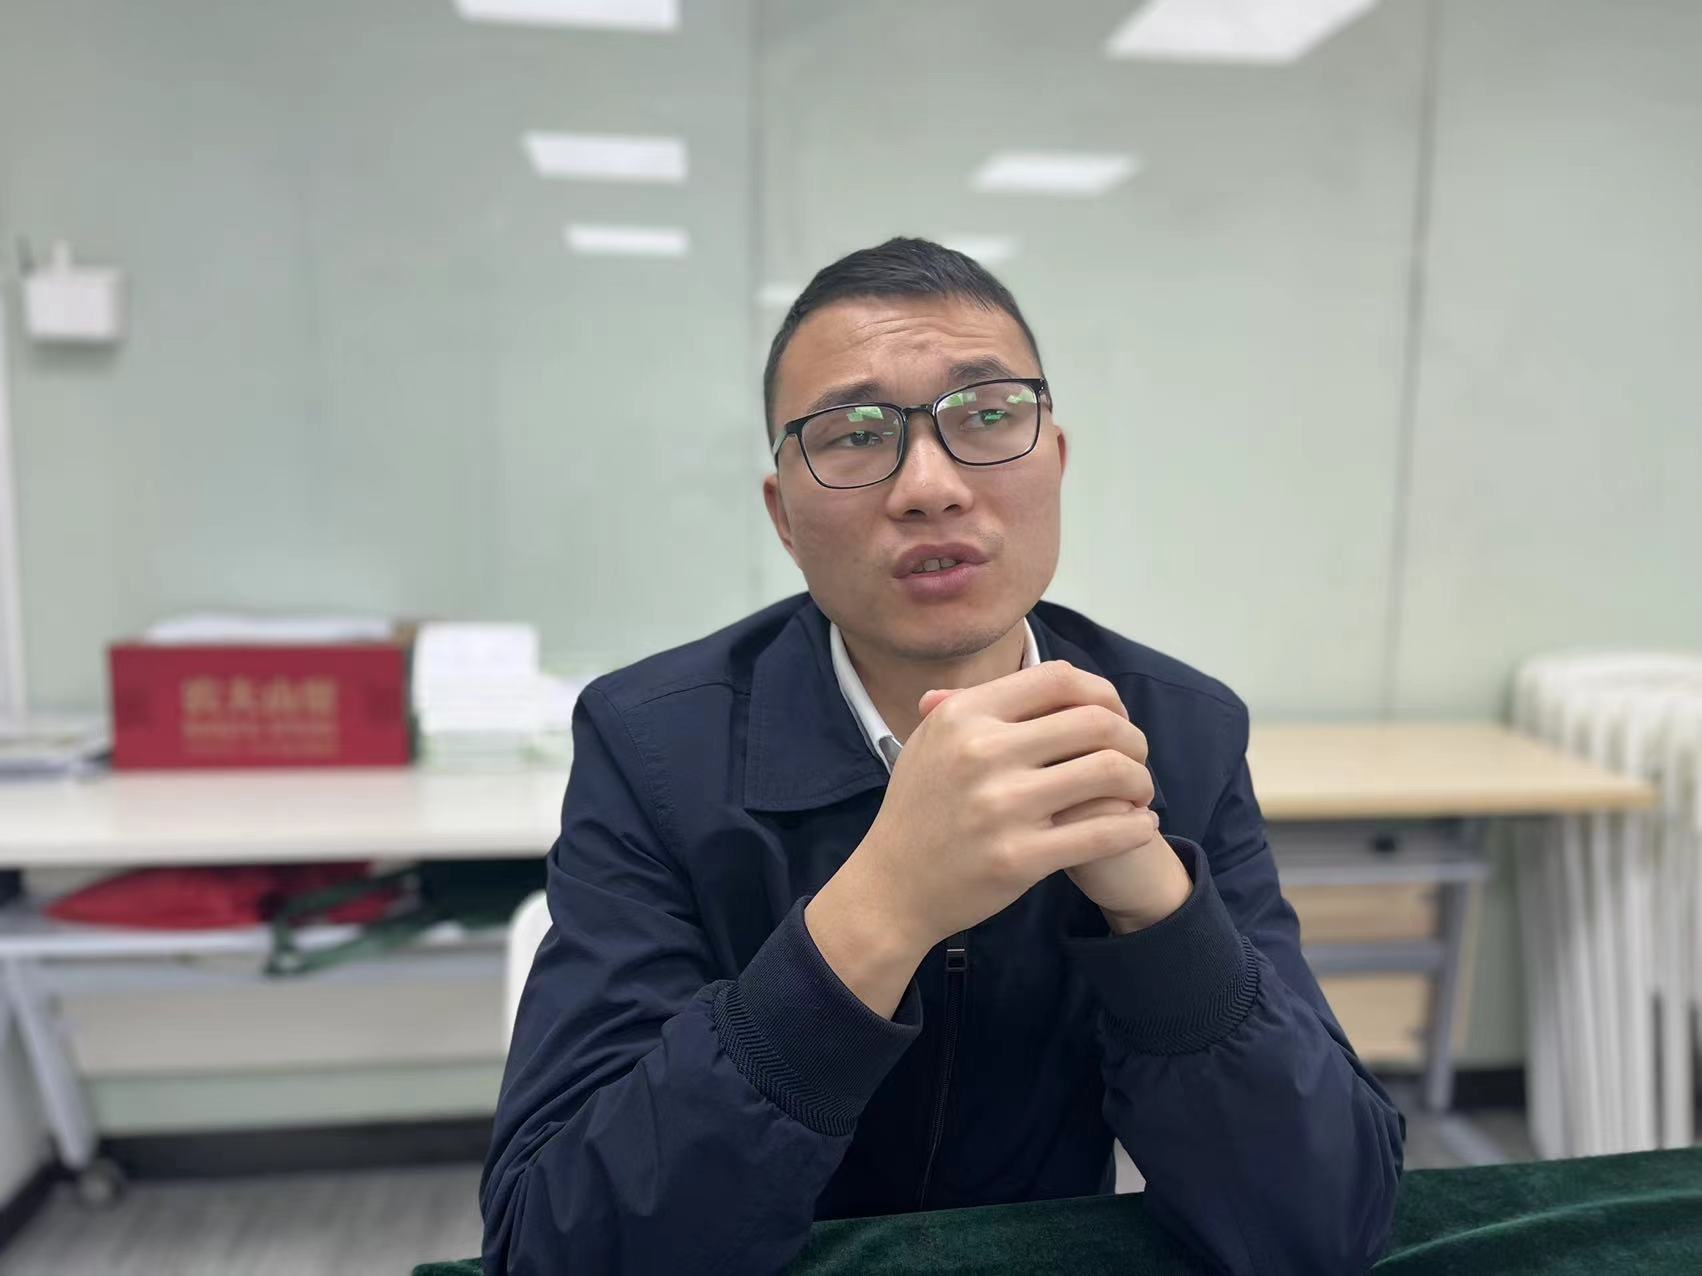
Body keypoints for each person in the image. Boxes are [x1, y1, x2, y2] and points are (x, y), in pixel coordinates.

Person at [481, 238, 1405, 1275]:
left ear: (1055, 461)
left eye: (987, 416)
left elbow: (1320, 1228)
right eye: (853, 435)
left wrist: (1158, 910)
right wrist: (881, 906)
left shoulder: (1178, 730)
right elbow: (556, 1244)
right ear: (784, 516)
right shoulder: (652, 744)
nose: (930, 486)